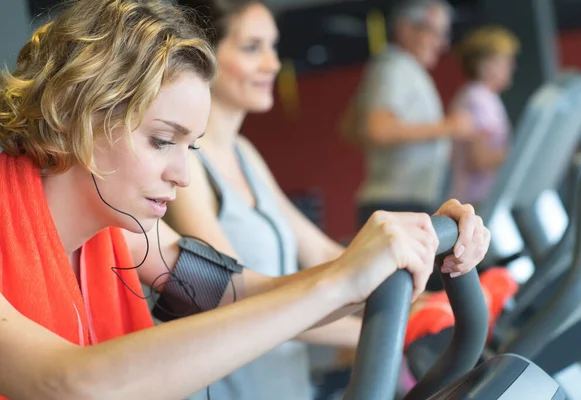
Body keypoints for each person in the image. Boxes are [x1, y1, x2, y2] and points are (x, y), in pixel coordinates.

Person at [0, 1, 489, 399]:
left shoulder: (128, 233)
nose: (183, 176)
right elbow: (63, 383)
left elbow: (245, 293)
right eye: (161, 140)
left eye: (189, 147)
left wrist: (410, 246)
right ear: (75, 113)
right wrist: (340, 280)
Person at [162, 1, 511, 399]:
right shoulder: (183, 169)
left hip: (287, 384)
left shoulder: (245, 154)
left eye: (273, 47)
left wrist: (424, 288)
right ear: (201, 54)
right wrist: (390, 326)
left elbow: (323, 251)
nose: (273, 64)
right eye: (252, 48)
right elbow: (235, 296)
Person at [341, 0, 476, 227]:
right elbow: (378, 129)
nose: (442, 44)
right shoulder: (395, 67)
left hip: (399, 201)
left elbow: (351, 128)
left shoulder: (396, 67)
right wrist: (449, 127)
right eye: (435, 33)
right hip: (397, 204)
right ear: (406, 29)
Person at [449, 26, 519, 205]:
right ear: (484, 64)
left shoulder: (487, 97)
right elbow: (479, 159)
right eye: (503, 61)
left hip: (485, 199)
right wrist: (520, 154)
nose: (511, 67)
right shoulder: (476, 99)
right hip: (476, 201)